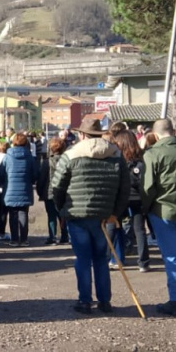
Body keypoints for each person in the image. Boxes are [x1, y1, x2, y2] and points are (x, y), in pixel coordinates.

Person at [51, 118, 130, 314]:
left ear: (82, 134)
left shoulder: (71, 154)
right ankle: (105, 301)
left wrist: (62, 210)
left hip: (77, 215)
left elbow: (57, 187)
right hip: (105, 216)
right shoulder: (116, 155)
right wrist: (115, 213)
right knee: (101, 259)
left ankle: (85, 301)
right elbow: (124, 189)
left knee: (83, 259)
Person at [142, 119, 176, 315]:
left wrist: (146, 208)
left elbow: (148, 187)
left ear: (154, 135)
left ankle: (175, 299)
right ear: (173, 131)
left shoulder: (153, 153)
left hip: (163, 210)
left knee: (172, 257)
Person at [108, 130, 147, 270]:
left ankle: (107, 257)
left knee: (112, 227)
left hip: (120, 198)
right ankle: (144, 262)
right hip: (137, 198)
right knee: (139, 230)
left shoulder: (116, 160)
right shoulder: (140, 161)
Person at [0, 133, 37, 247]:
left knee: (13, 215)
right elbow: (35, 174)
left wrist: (1, 183)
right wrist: (31, 181)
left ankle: (14, 239)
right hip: (25, 188)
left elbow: (1, 173)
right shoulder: (29, 157)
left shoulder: (7, 156)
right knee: (23, 213)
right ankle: (24, 239)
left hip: (10, 189)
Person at [37, 137, 69, 246]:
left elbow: (41, 179)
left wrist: (40, 191)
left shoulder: (47, 162)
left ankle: (52, 237)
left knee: (51, 216)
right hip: (64, 192)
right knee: (62, 215)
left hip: (50, 192)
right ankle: (65, 236)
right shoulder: (67, 161)